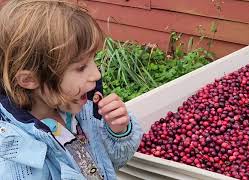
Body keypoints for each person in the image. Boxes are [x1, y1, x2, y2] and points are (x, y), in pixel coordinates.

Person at [0, 0, 143, 179]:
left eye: (93, 59)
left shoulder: (82, 109)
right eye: (81, 67)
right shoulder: (16, 159)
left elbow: (111, 163)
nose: (96, 74)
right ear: (30, 79)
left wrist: (118, 131)